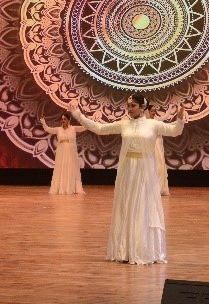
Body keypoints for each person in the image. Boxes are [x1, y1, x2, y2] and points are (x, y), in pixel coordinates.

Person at [69, 94, 185, 265]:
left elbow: (175, 131)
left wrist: (180, 119)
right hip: (127, 173)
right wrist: (78, 115)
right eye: (128, 106)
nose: (129, 109)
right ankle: (124, 250)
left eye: (133, 106)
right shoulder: (124, 124)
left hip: (145, 173)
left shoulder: (152, 125)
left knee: (143, 208)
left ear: (142, 107)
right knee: (127, 207)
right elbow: (99, 128)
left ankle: (143, 250)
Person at [40, 112, 86, 195]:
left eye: (65, 119)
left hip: (71, 151)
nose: (63, 120)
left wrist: (86, 120)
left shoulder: (73, 128)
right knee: (61, 167)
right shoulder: (58, 129)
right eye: (62, 119)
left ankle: (71, 187)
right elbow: (48, 129)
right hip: (61, 151)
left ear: (68, 120)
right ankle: (60, 187)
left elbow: (84, 127)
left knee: (71, 167)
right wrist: (43, 121)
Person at [146, 104, 170, 196]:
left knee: (159, 166)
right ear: (147, 112)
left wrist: (170, 107)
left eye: (154, 111)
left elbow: (166, 116)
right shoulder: (146, 122)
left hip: (157, 145)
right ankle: (149, 188)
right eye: (152, 111)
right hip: (149, 145)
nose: (154, 112)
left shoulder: (157, 120)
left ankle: (159, 188)